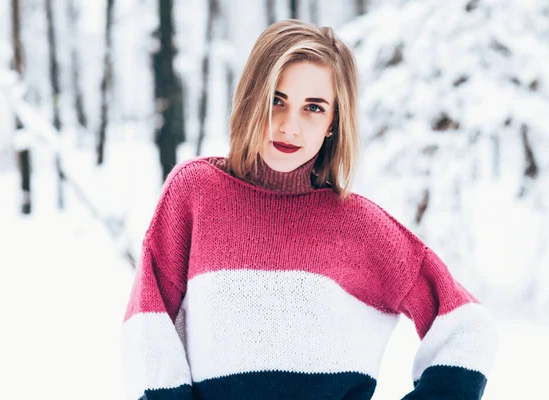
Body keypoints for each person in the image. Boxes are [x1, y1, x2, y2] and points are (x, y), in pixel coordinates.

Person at [121, 20, 498, 400]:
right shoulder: (195, 194)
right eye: (276, 100)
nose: (290, 126)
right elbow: (149, 327)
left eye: (313, 108)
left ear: (334, 121)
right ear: (252, 97)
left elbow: (467, 329)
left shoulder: (360, 227)